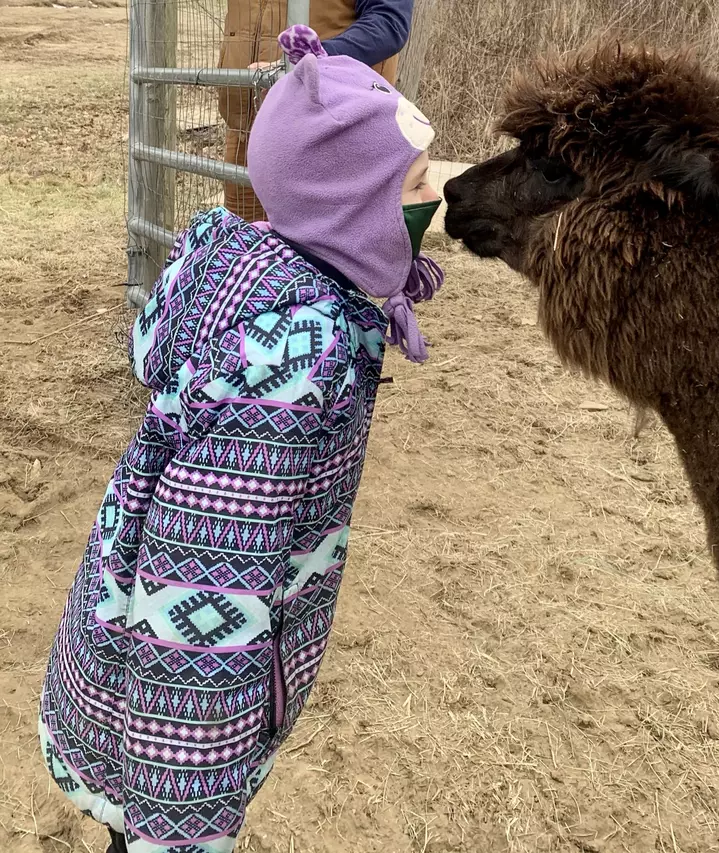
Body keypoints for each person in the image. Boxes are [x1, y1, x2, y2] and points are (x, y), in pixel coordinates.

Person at [39, 24, 444, 853]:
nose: (434, 197)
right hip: (171, 711)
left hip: (136, 657)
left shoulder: (259, 275)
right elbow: (204, 581)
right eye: (418, 181)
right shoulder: (291, 360)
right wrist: (186, 810)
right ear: (352, 206)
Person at [219, 0, 414, 222]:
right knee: (243, 243)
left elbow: (388, 21)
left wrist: (312, 58)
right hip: (247, 128)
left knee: (323, 244)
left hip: (329, 137)